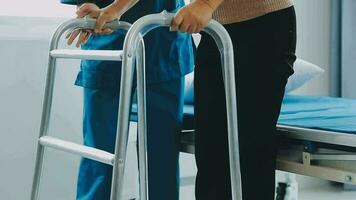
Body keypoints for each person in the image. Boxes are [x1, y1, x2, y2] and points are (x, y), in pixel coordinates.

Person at [60, 0, 194, 199]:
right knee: (99, 152)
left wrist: (117, 8)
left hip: (161, 33)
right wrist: (87, 9)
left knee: (160, 151)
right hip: (105, 38)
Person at [172, 0, 297, 199]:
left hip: (262, 24)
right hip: (215, 31)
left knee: (249, 154)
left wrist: (206, 4)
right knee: (210, 155)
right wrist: (118, 8)